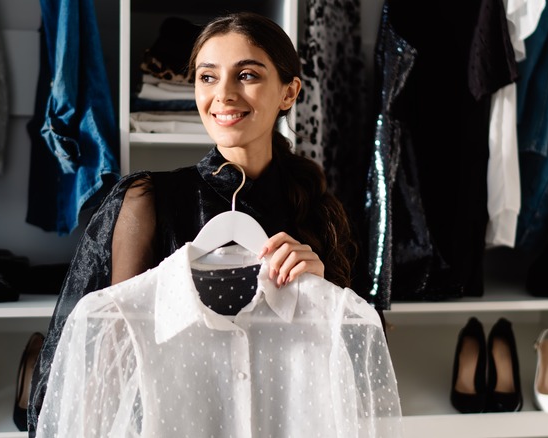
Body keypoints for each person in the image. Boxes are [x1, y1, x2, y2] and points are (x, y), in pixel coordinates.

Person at [26, 11, 362, 435]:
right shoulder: (148, 202)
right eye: (207, 77)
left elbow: (362, 361)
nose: (223, 94)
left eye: (247, 75)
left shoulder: (323, 215)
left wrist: (324, 290)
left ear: (289, 92)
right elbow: (109, 369)